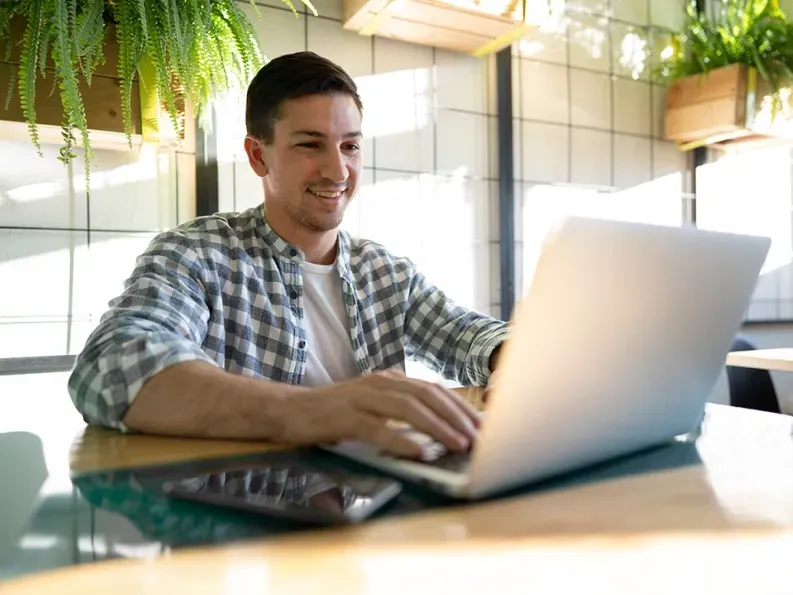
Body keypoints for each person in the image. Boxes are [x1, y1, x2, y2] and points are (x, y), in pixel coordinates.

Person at [68, 51, 509, 459]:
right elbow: (110, 366)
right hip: (245, 524)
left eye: (350, 146)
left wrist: (512, 356)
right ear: (259, 156)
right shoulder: (197, 254)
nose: (338, 171)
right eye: (309, 144)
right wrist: (309, 411)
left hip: (376, 516)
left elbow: (468, 336)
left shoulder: (386, 273)